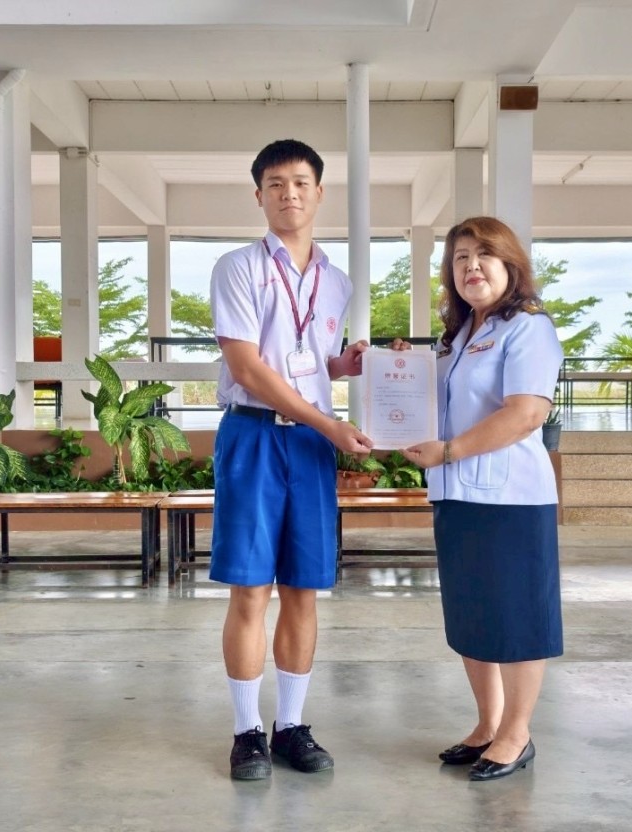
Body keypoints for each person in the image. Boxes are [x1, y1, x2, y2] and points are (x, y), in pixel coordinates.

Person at [209, 138, 374, 781]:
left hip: (308, 445)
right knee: (251, 588)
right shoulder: (237, 268)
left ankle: (291, 727)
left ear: (319, 192)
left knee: (303, 588)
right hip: (254, 436)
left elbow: (305, 363)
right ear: (259, 196)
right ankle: (247, 731)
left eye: (301, 182)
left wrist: (342, 366)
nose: (289, 194)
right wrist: (329, 422)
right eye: (276, 184)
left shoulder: (338, 281)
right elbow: (249, 368)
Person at [402, 216, 564, 783]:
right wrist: (397, 368)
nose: (471, 266)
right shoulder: (456, 337)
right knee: (473, 614)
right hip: (457, 495)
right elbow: (432, 402)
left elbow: (526, 413)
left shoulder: (528, 328)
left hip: (511, 499)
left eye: (484, 255)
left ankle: (517, 733)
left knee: (517, 617)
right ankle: (488, 724)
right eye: (460, 257)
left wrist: (450, 452)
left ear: (509, 265)